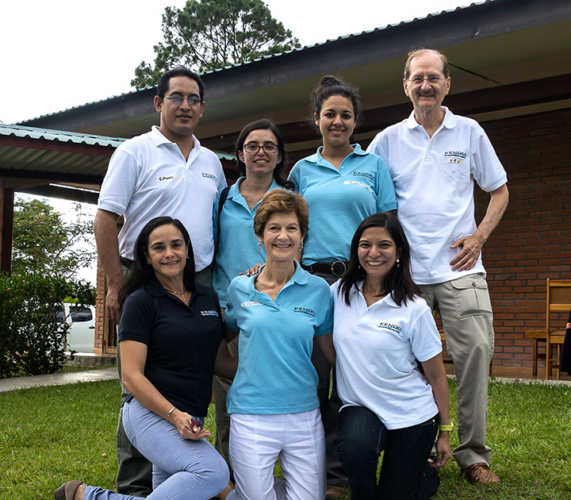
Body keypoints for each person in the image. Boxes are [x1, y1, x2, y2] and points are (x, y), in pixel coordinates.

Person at [367, 48, 509, 485]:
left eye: (433, 78)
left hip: (461, 268)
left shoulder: (468, 132)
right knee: (402, 363)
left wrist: (479, 236)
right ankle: (419, 446)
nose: (425, 85)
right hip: (404, 273)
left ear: (448, 83)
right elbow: (369, 199)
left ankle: (473, 455)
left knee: (475, 354)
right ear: (405, 85)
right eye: (417, 78)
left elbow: (499, 191)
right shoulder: (387, 140)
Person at [94, 68, 227, 496]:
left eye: (193, 99)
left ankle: (186, 473)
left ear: (202, 108)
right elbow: (105, 218)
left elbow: (217, 224)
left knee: (195, 373)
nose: (185, 106)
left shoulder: (211, 163)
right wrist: (116, 283)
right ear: (159, 103)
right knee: (138, 382)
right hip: (142, 275)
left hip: (200, 276)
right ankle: (134, 488)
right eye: (176, 98)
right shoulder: (134, 152)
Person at [55, 217, 234, 500]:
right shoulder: (141, 301)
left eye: (176, 245)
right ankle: (87, 496)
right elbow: (131, 375)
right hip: (151, 415)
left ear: (187, 248)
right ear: (147, 258)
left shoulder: (207, 297)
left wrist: (266, 368)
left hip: (191, 417)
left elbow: (219, 361)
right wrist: (174, 417)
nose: (169, 253)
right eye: (159, 248)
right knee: (213, 473)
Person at [287, 75, 397, 499]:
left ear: (355, 122)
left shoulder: (372, 166)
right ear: (317, 119)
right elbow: (291, 227)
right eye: (330, 114)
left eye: (346, 115)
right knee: (315, 377)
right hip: (313, 282)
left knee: (353, 376)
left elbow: (388, 224)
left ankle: (344, 473)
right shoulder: (301, 170)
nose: (338, 121)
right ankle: (314, 471)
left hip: (359, 280)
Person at [224, 190, 335, 500]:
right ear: (260, 235)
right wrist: (247, 371)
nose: (283, 236)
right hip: (250, 415)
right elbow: (222, 338)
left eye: (291, 228)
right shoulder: (239, 288)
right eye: (274, 228)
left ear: (302, 237)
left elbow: (332, 354)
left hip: (304, 415)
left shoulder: (319, 291)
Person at [332, 213, 451, 500]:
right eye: (365, 245)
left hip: (413, 415)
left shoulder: (414, 308)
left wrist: (445, 432)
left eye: (384, 245)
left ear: (399, 252)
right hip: (361, 409)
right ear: (355, 250)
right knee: (355, 448)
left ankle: (423, 474)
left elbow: (435, 375)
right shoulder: (338, 293)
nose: (374, 253)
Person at [211, 119, 290, 497]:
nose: (261, 152)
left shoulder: (288, 198)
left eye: (269, 146)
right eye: (253, 145)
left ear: (279, 156)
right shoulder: (222, 200)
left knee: (279, 393)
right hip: (229, 312)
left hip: (273, 311)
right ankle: (228, 481)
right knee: (229, 398)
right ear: (240, 154)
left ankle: (280, 473)